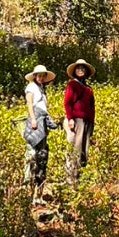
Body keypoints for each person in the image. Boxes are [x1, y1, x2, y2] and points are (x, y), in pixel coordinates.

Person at [24, 64, 57, 199]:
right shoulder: (31, 87)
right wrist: (33, 119)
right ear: (35, 76)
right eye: (39, 75)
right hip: (35, 120)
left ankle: (39, 190)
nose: (42, 78)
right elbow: (30, 104)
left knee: (42, 154)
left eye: (43, 76)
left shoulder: (42, 89)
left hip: (42, 120)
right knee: (32, 152)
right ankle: (28, 186)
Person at [63, 58, 96, 186]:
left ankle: (81, 179)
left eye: (82, 69)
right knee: (75, 149)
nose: (80, 70)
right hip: (77, 120)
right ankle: (71, 179)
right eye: (78, 69)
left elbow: (92, 107)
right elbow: (67, 103)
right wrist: (70, 118)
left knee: (85, 150)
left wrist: (92, 123)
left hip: (87, 122)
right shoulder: (73, 85)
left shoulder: (88, 89)